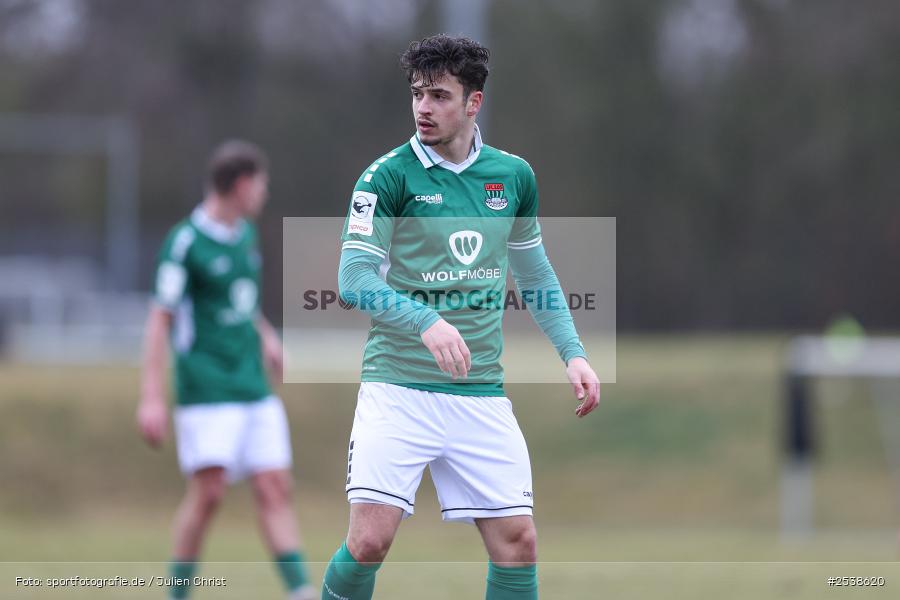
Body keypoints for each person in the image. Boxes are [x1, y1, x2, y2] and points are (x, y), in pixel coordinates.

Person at [321, 35, 601, 600]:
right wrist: (426, 320)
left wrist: (573, 353)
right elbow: (353, 282)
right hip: (397, 389)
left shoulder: (512, 177)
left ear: (474, 103)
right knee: (369, 542)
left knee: (518, 541)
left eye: (440, 96)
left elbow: (536, 274)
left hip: (479, 394)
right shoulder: (386, 179)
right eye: (418, 94)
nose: (424, 107)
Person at [137, 140, 316, 600]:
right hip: (207, 386)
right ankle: (177, 593)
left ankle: (301, 592)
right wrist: (152, 396)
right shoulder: (185, 243)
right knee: (210, 492)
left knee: (275, 486)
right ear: (239, 185)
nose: (263, 194)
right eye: (260, 185)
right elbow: (160, 320)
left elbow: (242, 304)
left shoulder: (244, 235)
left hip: (252, 385)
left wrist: (267, 338)